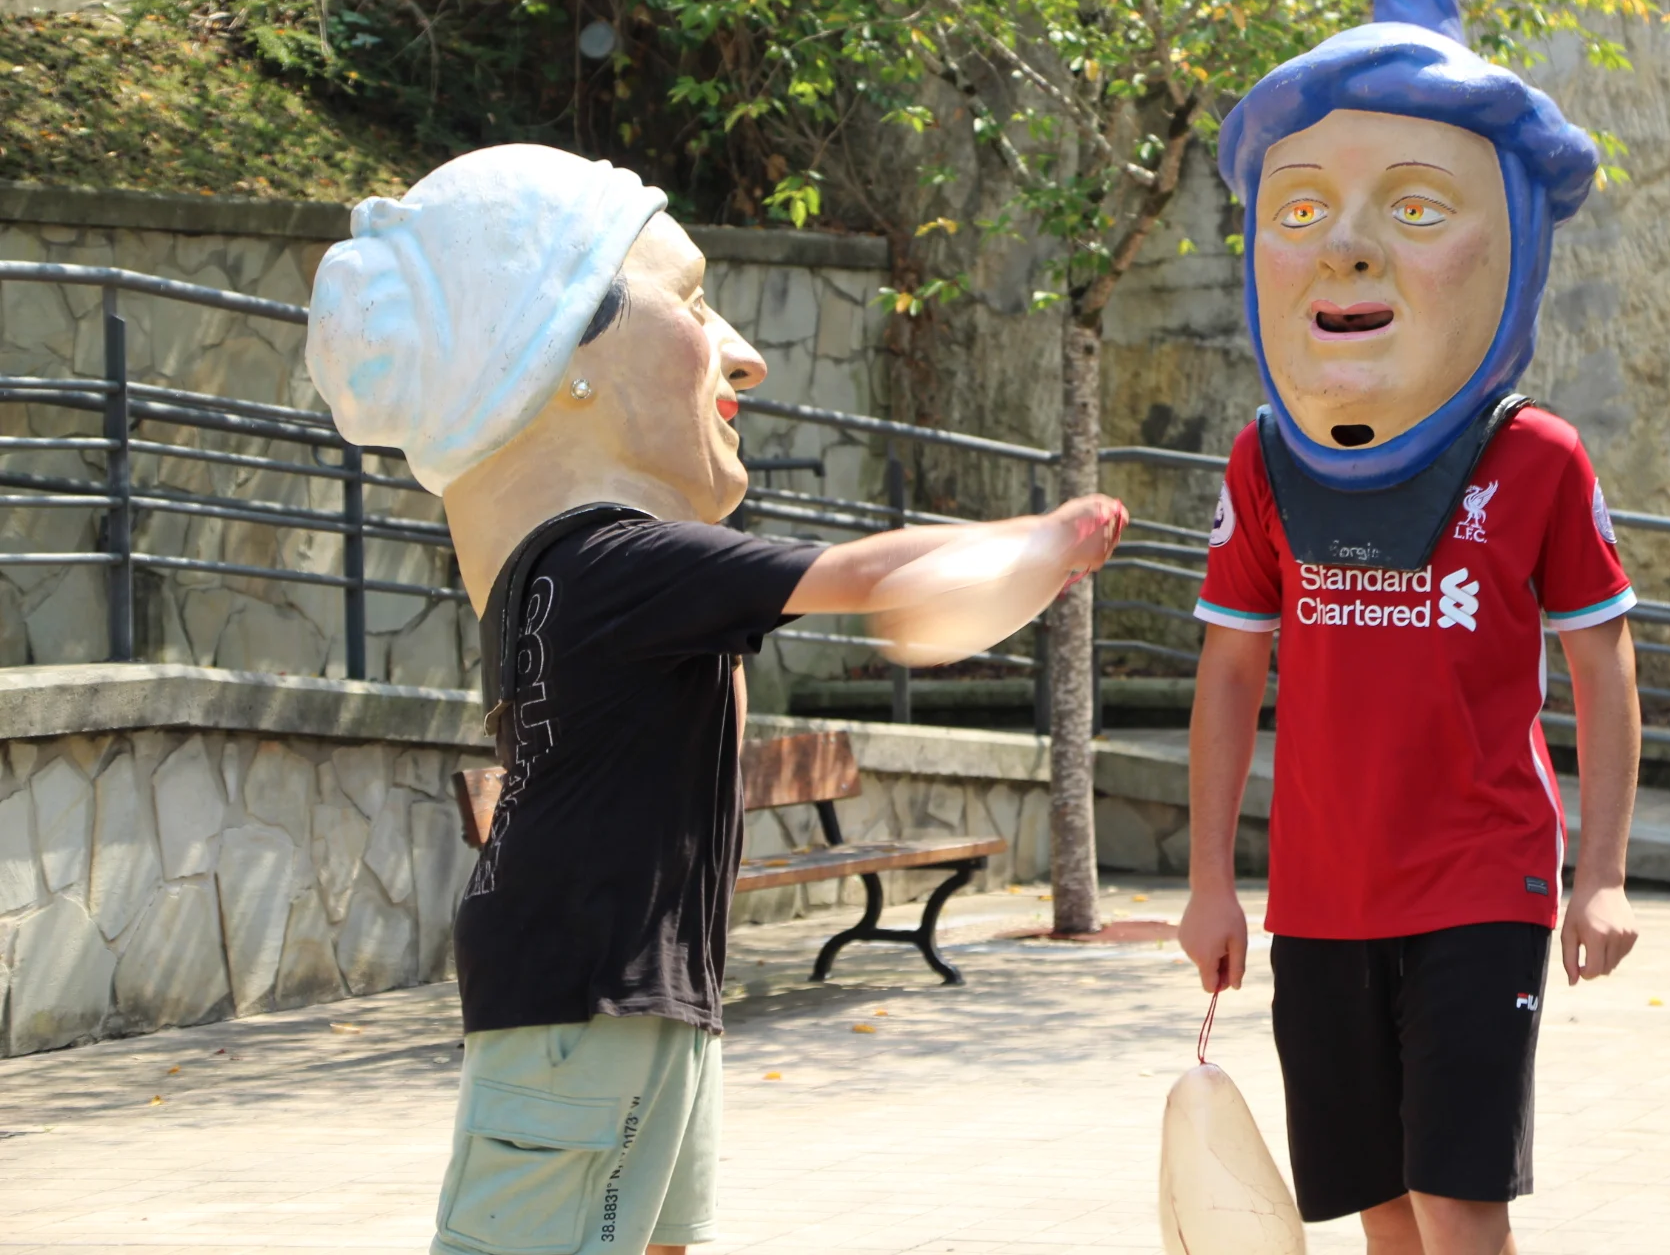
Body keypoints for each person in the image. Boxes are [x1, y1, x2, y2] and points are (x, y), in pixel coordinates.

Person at [305, 144, 1125, 1255]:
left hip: (633, 987)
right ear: (567, 356)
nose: (746, 356)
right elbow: (871, 579)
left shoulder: (564, 574)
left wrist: (1012, 571)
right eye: (693, 300)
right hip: (587, 992)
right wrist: (1046, 536)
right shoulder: (613, 561)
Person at [1176, 0, 1642, 1252]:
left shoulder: (1538, 456)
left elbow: (1602, 665)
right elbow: (1229, 674)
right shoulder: (1263, 463)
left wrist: (1600, 875)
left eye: (1418, 205)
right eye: (1304, 210)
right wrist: (1211, 885)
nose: (1348, 249)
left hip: (1482, 878)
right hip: (1319, 893)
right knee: (1376, 1204)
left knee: (1454, 1195)